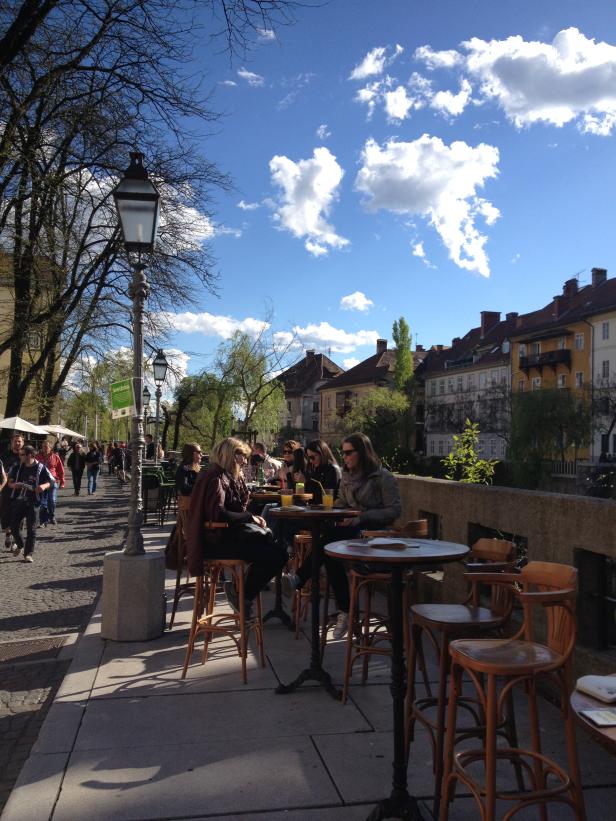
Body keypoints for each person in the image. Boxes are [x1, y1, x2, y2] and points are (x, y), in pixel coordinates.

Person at [284, 432, 401, 639]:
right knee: (329, 550)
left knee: (329, 543)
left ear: (362, 453)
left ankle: (302, 579)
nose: (344, 457)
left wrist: (362, 516)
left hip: (374, 536)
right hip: (352, 532)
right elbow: (341, 502)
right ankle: (345, 611)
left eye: (348, 453)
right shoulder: (348, 476)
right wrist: (334, 509)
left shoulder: (382, 477)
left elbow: (394, 511)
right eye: (343, 453)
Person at [186, 437, 287, 618]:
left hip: (224, 536)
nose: (246, 460)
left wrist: (250, 516)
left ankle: (241, 593)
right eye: (242, 455)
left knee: (278, 552)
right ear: (230, 455)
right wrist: (250, 518)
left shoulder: (224, 475)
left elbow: (232, 510)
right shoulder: (215, 477)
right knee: (275, 555)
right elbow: (219, 513)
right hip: (215, 542)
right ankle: (242, 596)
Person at [8, 445, 53, 563]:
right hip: (19, 500)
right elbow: (10, 481)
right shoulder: (18, 467)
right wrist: (13, 485)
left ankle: (28, 554)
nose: (20, 456)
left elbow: (51, 481)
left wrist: (43, 486)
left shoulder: (41, 468)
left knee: (31, 529)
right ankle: (20, 544)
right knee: (13, 526)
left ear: (30, 455)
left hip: (34, 501)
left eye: (22, 454)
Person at [1, 433, 24, 551]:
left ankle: (16, 539)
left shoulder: (25, 456)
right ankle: (8, 534)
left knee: (19, 515)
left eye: (19, 441)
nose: (17, 443)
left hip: (20, 491)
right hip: (6, 491)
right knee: (6, 515)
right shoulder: (4, 456)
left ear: (23, 443)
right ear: (11, 442)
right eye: (15, 441)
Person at [37, 440, 65, 524]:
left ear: (50, 447)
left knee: (52, 500)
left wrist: (62, 481)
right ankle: (43, 521)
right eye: (43, 447)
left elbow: (60, 470)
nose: (45, 448)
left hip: (53, 481)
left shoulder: (55, 457)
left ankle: (52, 515)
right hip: (41, 482)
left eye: (46, 446)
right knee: (43, 503)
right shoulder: (37, 457)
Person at [304, 439, 341, 503]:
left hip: (328, 510)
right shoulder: (316, 469)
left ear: (322, 454)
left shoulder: (332, 469)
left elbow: (325, 496)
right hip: (316, 510)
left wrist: (306, 482)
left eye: (313, 457)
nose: (310, 461)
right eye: (309, 458)